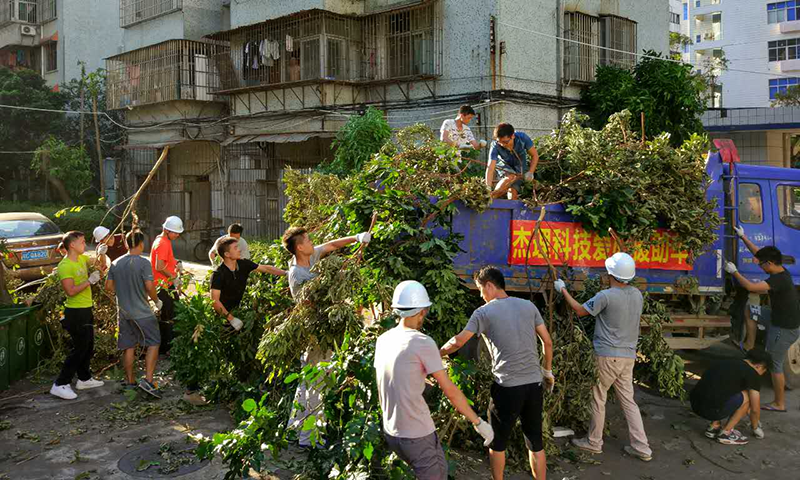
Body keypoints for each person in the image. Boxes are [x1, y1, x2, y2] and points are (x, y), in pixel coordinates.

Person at [440, 267, 553, 480]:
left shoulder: (483, 312)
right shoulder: (528, 306)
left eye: (480, 290)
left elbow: (458, 341)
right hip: (534, 385)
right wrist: (547, 371)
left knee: (497, 442)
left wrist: (436, 354)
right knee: (535, 442)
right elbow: (547, 341)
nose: (481, 296)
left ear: (490, 285)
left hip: (507, 388)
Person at [376, 281, 494, 479]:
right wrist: (479, 423)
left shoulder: (384, 340)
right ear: (422, 311)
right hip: (416, 434)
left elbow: (392, 379)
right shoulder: (422, 342)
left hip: (392, 432)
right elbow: (450, 391)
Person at [556, 252, 653, 463]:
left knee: (598, 397)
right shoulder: (637, 294)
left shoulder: (606, 296)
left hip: (607, 356)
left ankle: (594, 442)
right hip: (628, 357)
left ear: (610, 274)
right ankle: (642, 447)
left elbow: (580, 311)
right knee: (629, 401)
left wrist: (562, 289)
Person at [281, 226, 372, 448]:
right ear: (299, 247)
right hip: (317, 333)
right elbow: (310, 304)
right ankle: (311, 438)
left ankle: (295, 428)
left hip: (320, 331)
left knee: (307, 380)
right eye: (308, 240)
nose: (312, 243)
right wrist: (337, 281)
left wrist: (357, 238)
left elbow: (331, 245)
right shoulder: (297, 274)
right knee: (317, 382)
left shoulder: (310, 256)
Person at [725, 226, 800, 412]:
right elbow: (758, 253)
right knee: (751, 310)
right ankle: (750, 345)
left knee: (774, 363)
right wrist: (743, 237)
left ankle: (779, 403)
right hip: (774, 316)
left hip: (784, 328)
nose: (759, 266)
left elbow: (751, 287)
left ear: (770, 264)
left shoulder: (778, 280)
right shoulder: (779, 269)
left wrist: (734, 272)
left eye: (761, 265)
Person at [105, 230, 163, 398]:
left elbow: (108, 287)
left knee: (128, 346)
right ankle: (148, 381)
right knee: (154, 342)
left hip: (123, 313)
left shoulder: (115, 263)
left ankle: (130, 381)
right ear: (141, 244)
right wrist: (156, 300)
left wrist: (123, 290)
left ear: (126, 244)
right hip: (142, 312)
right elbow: (149, 286)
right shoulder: (144, 263)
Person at [49, 231, 105, 400]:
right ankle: (60, 384)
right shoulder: (65, 265)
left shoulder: (81, 259)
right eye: (82, 242)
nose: (85, 244)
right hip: (75, 312)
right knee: (79, 348)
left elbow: (100, 266)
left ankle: (84, 378)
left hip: (86, 308)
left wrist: (102, 253)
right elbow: (70, 291)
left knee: (88, 345)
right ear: (72, 245)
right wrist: (89, 281)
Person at [690, 348, 771, 445]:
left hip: (695, 404)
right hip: (712, 411)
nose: (761, 375)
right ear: (759, 366)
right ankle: (726, 433)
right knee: (748, 397)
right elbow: (755, 408)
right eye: (763, 371)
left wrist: (753, 417)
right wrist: (755, 427)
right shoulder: (752, 373)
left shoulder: (726, 362)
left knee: (722, 388)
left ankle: (714, 427)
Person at [210, 237, 286, 331]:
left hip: (237, 311)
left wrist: (286, 273)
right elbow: (215, 301)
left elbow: (265, 268)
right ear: (227, 254)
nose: (239, 250)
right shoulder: (218, 274)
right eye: (235, 248)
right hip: (222, 316)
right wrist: (231, 319)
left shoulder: (243, 264)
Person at [150, 215, 184, 355]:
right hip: (162, 285)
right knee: (169, 316)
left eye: (178, 233)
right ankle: (166, 348)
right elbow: (159, 266)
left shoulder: (163, 240)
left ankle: (169, 346)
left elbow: (167, 259)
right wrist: (174, 277)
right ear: (166, 230)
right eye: (175, 232)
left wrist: (176, 263)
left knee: (172, 313)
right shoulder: (163, 243)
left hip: (165, 284)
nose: (177, 235)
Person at [486, 123, 539, 200]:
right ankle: (490, 199)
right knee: (510, 177)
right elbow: (490, 167)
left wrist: (530, 172)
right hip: (504, 165)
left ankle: (509, 206)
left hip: (520, 166)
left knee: (513, 191)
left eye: (505, 142)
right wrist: (488, 187)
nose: (502, 145)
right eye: (499, 142)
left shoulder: (522, 138)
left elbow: (535, 155)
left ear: (513, 136)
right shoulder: (495, 145)